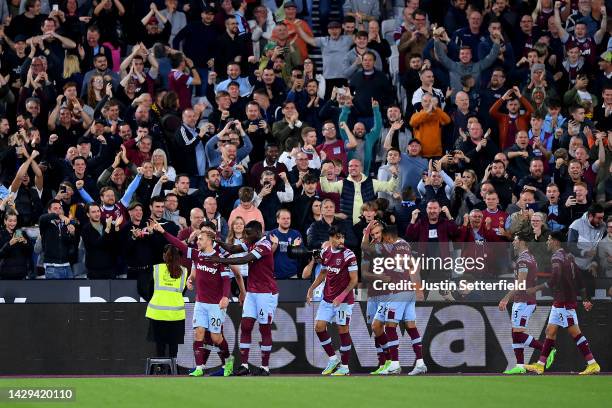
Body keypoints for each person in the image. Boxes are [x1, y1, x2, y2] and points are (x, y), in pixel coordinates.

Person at [152, 220, 245, 377]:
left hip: (216, 304)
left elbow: (226, 280)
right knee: (198, 333)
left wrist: (225, 297)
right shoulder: (197, 255)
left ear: (209, 240)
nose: (197, 241)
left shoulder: (219, 258)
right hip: (200, 303)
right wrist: (163, 232)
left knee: (216, 338)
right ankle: (199, 367)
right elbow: (179, 245)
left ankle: (228, 361)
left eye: (200, 239)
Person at [202, 220, 278, 376]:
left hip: (266, 293)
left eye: (248, 233)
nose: (245, 236)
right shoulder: (252, 242)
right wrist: (217, 240)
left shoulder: (265, 245)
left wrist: (221, 260)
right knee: (246, 326)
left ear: (258, 233)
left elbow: (243, 259)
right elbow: (232, 248)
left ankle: (265, 367)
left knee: (264, 328)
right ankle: (244, 365)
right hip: (252, 292)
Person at [524, 231, 600, 375]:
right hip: (561, 301)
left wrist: (537, 287)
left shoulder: (556, 257)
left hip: (564, 301)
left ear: (555, 242)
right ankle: (540, 365)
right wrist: (584, 298)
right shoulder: (569, 258)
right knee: (550, 332)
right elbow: (580, 280)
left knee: (575, 333)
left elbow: (556, 276)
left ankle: (592, 363)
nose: (547, 242)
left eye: (549, 240)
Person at [306, 226, 358, 376]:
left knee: (343, 330)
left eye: (342, 237)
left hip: (344, 300)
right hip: (327, 298)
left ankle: (345, 366)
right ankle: (333, 359)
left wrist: (341, 296)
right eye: (338, 237)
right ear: (331, 239)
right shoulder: (325, 253)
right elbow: (323, 273)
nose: (341, 240)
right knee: (319, 327)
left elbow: (354, 280)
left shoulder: (349, 255)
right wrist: (311, 289)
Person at [378, 225, 426, 376]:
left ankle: (395, 364)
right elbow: (414, 267)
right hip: (409, 290)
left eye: (385, 240)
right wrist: (418, 288)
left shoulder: (392, 249)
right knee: (411, 326)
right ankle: (420, 363)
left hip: (398, 291)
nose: (384, 242)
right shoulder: (406, 245)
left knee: (390, 326)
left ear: (390, 238)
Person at [497, 229, 544, 375]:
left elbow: (521, 282)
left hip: (523, 301)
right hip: (526, 300)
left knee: (517, 334)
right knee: (515, 332)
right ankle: (520, 365)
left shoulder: (523, 260)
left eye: (515, 239)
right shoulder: (530, 257)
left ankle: (546, 349)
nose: (513, 242)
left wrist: (506, 297)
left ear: (522, 242)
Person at [145, 244, 188, 361]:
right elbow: (182, 291)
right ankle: (173, 370)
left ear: (164, 256)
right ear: (178, 257)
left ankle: (160, 370)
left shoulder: (156, 269)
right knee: (174, 347)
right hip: (176, 315)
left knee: (160, 346)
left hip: (157, 314)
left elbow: (148, 290)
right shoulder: (184, 271)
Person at [0, 211, 33, 279]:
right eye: (10, 221)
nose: (13, 223)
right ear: (5, 221)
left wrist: (25, 241)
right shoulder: (1, 234)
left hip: (21, 272)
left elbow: (30, 251)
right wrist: (9, 244)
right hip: (5, 273)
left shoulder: (22, 233)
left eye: (15, 221)